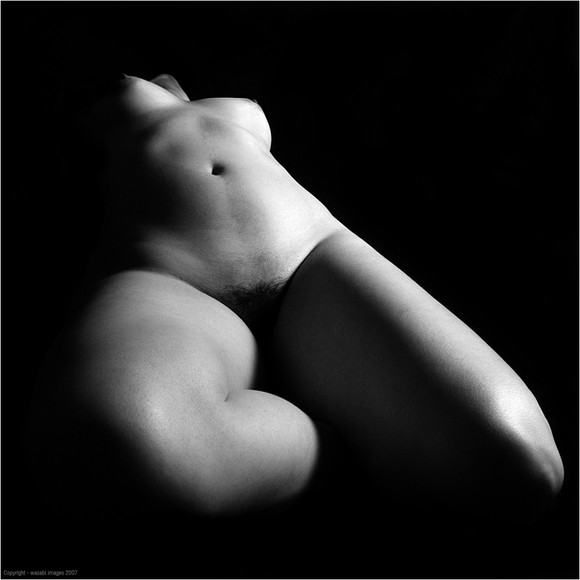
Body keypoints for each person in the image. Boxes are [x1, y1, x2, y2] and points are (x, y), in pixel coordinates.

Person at [26, 74, 563, 522]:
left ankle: (293, 429)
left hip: (311, 253)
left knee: (521, 467)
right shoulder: (95, 102)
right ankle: (329, 453)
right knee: (119, 450)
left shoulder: (213, 100)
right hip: (166, 277)